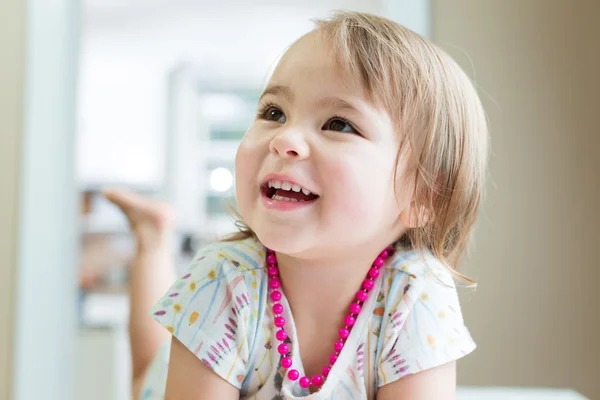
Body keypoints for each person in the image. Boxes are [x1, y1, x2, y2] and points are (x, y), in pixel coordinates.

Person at [108, 10, 488, 400]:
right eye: (274, 113)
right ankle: (152, 240)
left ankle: (153, 231)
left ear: (423, 196)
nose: (284, 137)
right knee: (143, 379)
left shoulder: (415, 294)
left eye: (338, 124)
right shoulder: (223, 280)